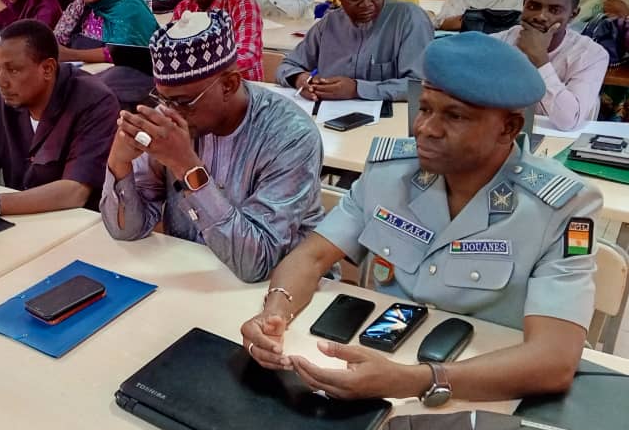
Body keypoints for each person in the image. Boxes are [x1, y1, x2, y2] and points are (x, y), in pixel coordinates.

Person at [241, 32, 601, 402]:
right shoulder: (389, 173)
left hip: (484, 391)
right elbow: (311, 256)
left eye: (454, 116)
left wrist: (415, 381)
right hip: (374, 364)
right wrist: (274, 314)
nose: (425, 129)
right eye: (425, 109)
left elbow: (554, 360)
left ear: (508, 128)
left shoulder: (562, 207)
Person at [101, 11, 324, 283]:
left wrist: (187, 167)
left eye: (184, 102)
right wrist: (119, 163)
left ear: (229, 84)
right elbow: (126, 231)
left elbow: (256, 264)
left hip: (280, 289)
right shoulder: (170, 118)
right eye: (163, 99)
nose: (170, 112)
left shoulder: (291, 136)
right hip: (192, 276)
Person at [0, 20, 119, 216]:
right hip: (17, 218)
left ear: (47, 69)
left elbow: (75, 192)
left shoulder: (94, 101)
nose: (1, 81)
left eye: (13, 70)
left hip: (76, 223)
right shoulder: (3, 98)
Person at [276, 0, 433, 101]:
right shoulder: (329, 24)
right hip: (326, 114)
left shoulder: (410, 19)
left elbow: (418, 86)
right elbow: (287, 66)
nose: (366, 4)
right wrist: (299, 79)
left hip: (388, 117)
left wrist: (357, 89)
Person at [493, 0, 608, 131]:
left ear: (573, 14)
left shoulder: (591, 55)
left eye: (554, 10)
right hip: (504, 132)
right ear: (524, 4)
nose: (540, 16)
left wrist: (540, 59)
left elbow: (568, 121)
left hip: (559, 139)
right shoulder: (498, 43)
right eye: (533, 6)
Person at [54, 0, 160, 107]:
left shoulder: (129, 6)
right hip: (89, 74)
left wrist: (71, 54)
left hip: (129, 80)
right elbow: (57, 39)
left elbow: (123, 52)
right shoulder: (79, 8)